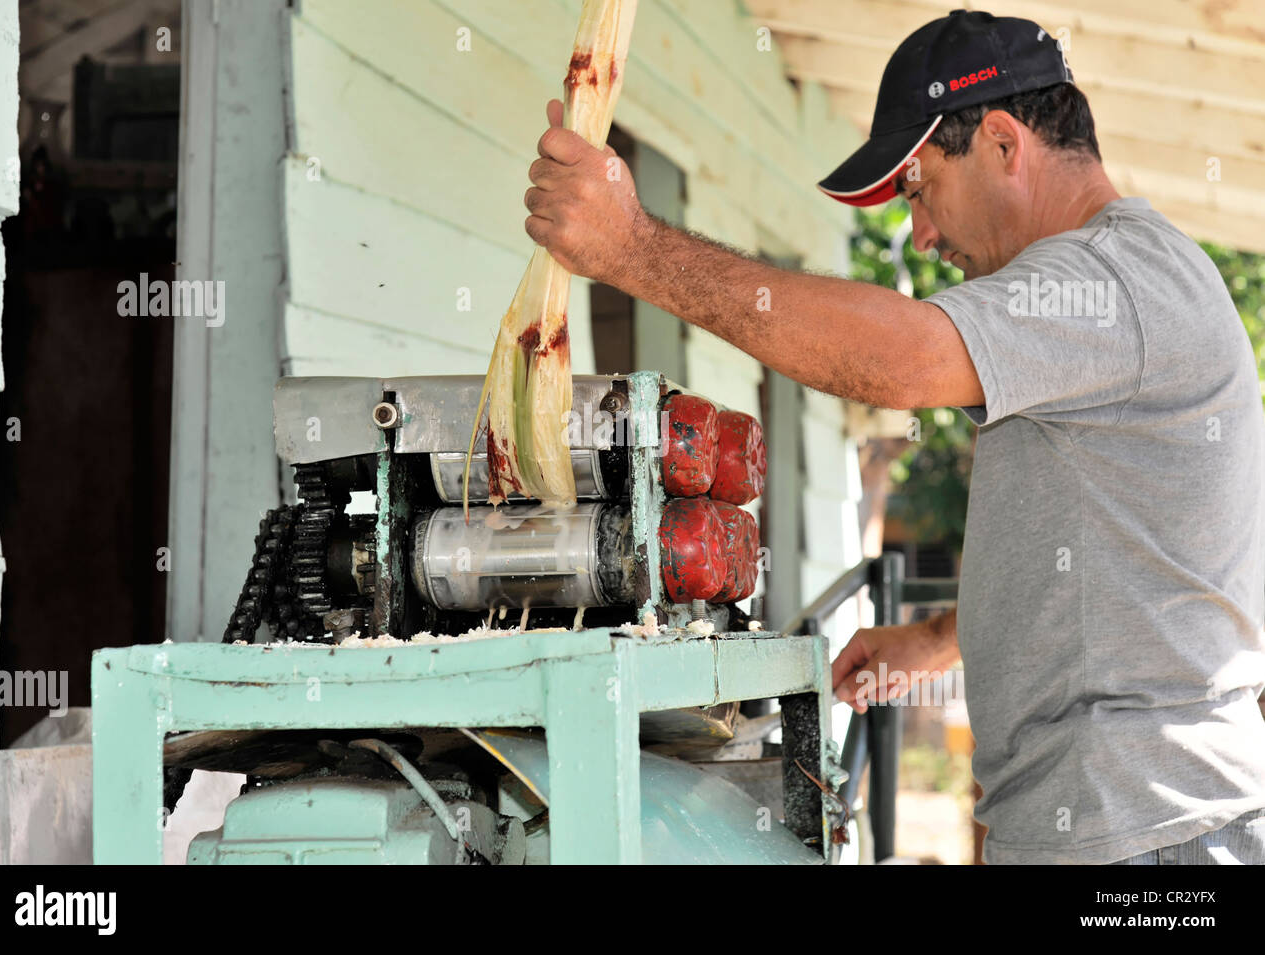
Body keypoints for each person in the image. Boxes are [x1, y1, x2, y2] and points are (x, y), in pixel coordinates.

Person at [523, 9, 1265, 864]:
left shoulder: (1111, 281)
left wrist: (633, 248)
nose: (922, 234)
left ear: (1001, 141)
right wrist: (944, 636)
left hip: (1148, 840)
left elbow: (901, 358)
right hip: (1130, 828)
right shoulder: (1115, 295)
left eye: (919, 189)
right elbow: (1124, 548)